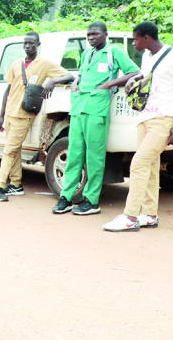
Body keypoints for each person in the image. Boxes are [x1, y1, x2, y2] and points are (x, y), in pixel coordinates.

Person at [104, 22, 173, 232]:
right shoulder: (146, 56)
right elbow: (146, 76)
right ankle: (149, 215)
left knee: (138, 165)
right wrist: (133, 79)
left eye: (135, 39)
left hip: (164, 120)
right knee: (151, 168)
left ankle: (130, 217)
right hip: (144, 117)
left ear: (146, 38)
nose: (133, 43)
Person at [52, 22, 139, 216]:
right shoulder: (86, 54)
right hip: (78, 108)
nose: (91, 37)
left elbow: (135, 72)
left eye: (95, 34)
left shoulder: (113, 52)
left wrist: (109, 84)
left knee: (94, 156)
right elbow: (82, 74)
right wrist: (75, 82)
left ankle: (91, 201)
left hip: (97, 109)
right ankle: (66, 198)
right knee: (74, 154)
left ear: (105, 34)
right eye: (88, 34)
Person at [0, 31, 73, 202]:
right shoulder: (16, 64)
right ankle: (15, 184)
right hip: (9, 113)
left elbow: (69, 75)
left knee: (8, 150)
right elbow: (8, 90)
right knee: (14, 150)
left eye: (31, 43)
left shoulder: (44, 64)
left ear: (38, 45)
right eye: (25, 43)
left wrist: (52, 81)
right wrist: (1, 115)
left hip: (24, 114)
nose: (28, 46)